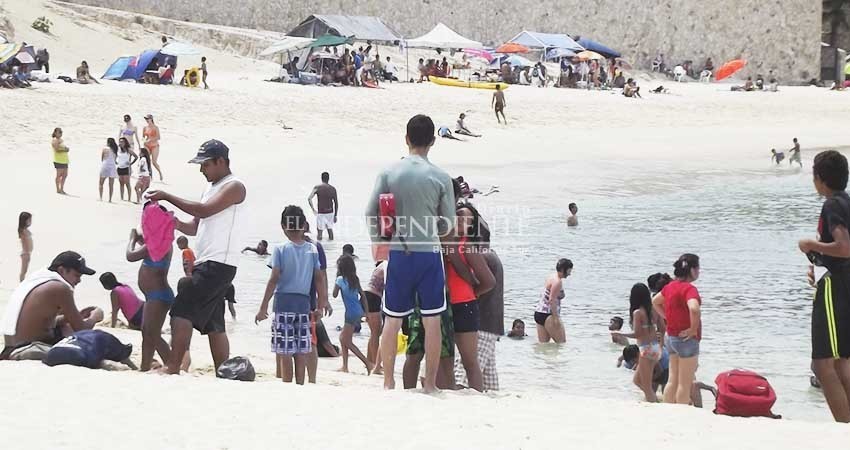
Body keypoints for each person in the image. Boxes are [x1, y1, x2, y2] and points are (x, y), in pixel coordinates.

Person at [365, 114, 456, 393]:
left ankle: (388, 382)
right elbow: (448, 223)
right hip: (428, 253)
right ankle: (429, 385)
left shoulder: (388, 173)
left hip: (399, 252)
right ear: (432, 141)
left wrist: (381, 240)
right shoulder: (441, 177)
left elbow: (370, 213)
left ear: (406, 139)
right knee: (432, 320)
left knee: (392, 319)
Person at [146, 139, 247, 375]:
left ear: (220, 161)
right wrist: (173, 222)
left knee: (182, 307)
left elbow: (203, 211)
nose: (202, 169)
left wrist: (166, 196)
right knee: (215, 322)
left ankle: (172, 366)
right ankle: (223, 370)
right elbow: (195, 226)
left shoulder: (235, 186)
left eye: (205, 164)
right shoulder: (210, 188)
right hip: (210, 261)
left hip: (218, 262)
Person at [798, 150, 850, 422]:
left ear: (820, 179)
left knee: (822, 363)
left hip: (835, 286)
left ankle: (844, 427)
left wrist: (811, 245)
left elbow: (844, 247)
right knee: (842, 360)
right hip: (843, 283)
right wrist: (818, 260)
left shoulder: (831, 205)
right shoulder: (846, 201)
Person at [255, 205, 327, 384]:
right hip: (303, 306)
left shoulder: (280, 249)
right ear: (304, 225)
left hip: (283, 304)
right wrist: (321, 304)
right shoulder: (312, 249)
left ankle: (287, 384)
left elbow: (274, 279)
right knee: (301, 350)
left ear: (283, 226)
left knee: (285, 350)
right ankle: (300, 383)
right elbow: (319, 278)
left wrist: (263, 306)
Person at [1, 251, 103, 357]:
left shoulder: (37, 280)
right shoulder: (60, 288)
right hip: (29, 347)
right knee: (97, 340)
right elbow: (82, 329)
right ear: (61, 270)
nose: (79, 280)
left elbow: (40, 320)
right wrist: (95, 317)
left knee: (66, 327)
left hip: (11, 347)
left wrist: (70, 317)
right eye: (77, 275)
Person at [444, 203, 495, 392]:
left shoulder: (467, 246)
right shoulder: (444, 243)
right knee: (447, 357)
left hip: (465, 306)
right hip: (446, 305)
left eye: (465, 219)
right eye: (457, 215)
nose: (459, 220)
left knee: (469, 361)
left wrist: (474, 293)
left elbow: (489, 281)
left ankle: (477, 397)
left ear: (470, 226)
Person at [652, 253, 702, 405]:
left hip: (671, 337)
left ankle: (668, 407)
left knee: (673, 379)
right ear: (692, 270)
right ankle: (681, 411)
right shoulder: (689, 289)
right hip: (686, 339)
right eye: (698, 268)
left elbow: (655, 301)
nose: (699, 271)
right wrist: (693, 329)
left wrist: (667, 317)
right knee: (684, 383)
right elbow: (694, 308)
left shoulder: (670, 286)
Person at [125, 228, 176, 371]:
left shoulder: (157, 243)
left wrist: (132, 239)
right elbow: (146, 244)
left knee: (151, 333)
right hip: (153, 296)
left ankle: (170, 365)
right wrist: (142, 238)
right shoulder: (160, 241)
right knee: (148, 332)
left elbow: (131, 255)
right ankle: (147, 366)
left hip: (158, 295)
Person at [618, 283, 666, 402]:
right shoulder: (654, 309)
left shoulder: (638, 313)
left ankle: (653, 406)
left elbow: (637, 334)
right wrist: (660, 345)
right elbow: (663, 328)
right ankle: (655, 400)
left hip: (645, 349)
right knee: (637, 381)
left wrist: (619, 334)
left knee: (646, 386)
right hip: (655, 348)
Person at [334, 256, 372, 373]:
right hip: (358, 310)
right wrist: (366, 312)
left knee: (346, 340)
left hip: (350, 313)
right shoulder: (355, 279)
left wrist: (337, 281)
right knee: (343, 339)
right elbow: (363, 296)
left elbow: (334, 295)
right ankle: (345, 366)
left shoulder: (340, 280)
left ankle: (367, 363)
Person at [44, 329, 137, 370]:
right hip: (77, 355)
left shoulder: (84, 333)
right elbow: (124, 357)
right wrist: (135, 368)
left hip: (52, 353)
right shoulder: (109, 340)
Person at [535, 258, 572, 343]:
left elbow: (549, 294)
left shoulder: (551, 277)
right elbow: (551, 300)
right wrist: (556, 318)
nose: (569, 274)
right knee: (561, 343)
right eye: (569, 271)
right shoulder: (557, 281)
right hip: (549, 314)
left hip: (539, 313)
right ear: (563, 269)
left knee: (543, 346)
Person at [363, 260, 387, 367]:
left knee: (375, 332)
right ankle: (375, 363)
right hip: (372, 297)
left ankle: (369, 359)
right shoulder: (386, 266)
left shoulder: (381, 266)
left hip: (369, 297)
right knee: (376, 333)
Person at [307, 172, 338, 241]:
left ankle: (320, 247)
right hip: (330, 212)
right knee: (330, 231)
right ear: (328, 178)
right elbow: (336, 203)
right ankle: (332, 248)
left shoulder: (317, 187)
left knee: (320, 233)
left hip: (321, 212)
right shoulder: (333, 189)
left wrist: (313, 209)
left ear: (321, 178)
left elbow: (309, 198)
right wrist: (335, 215)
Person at [143, 114, 164, 181]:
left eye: (147, 119)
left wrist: (150, 140)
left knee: (154, 162)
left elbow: (158, 137)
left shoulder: (155, 127)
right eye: (146, 119)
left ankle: (160, 173)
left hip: (154, 145)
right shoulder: (145, 127)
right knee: (146, 160)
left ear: (151, 119)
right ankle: (149, 175)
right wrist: (144, 141)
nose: (146, 120)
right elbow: (143, 137)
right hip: (147, 145)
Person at [116, 137, 138, 202]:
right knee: (121, 183)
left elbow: (136, 157)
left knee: (127, 183)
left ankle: (129, 198)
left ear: (125, 143)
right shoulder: (118, 150)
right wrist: (115, 161)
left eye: (122, 142)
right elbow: (115, 156)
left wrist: (131, 163)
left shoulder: (128, 150)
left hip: (126, 168)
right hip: (119, 168)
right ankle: (122, 198)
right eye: (120, 141)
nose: (121, 143)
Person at [99, 138, 118, 202]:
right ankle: (110, 199)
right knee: (111, 184)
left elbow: (102, 158)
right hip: (112, 166)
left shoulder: (105, 149)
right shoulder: (115, 150)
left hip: (105, 165)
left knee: (101, 183)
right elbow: (115, 159)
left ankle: (101, 197)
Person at [51, 128, 69, 195]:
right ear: (55, 133)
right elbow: (56, 150)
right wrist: (65, 150)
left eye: (61, 132)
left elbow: (62, 147)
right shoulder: (55, 140)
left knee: (65, 174)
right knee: (59, 175)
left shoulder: (60, 140)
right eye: (59, 132)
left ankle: (61, 188)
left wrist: (66, 148)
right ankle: (58, 189)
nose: (60, 133)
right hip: (58, 160)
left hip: (64, 160)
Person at [17, 212, 33, 282]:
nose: (30, 222)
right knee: (23, 271)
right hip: (25, 253)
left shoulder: (26, 230)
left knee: (24, 271)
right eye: (29, 220)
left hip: (27, 253)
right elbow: (25, 242)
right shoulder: (23, 231)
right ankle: (21, 283)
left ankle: (22, 282)